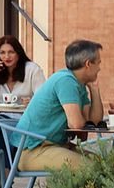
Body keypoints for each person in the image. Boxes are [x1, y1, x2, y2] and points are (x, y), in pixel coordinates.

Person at [14, 39, 106, 172]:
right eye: (98, 63)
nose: (99, 68)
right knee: (91, 167)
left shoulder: (79, 85)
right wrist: (82, 120)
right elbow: (76, 124)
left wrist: (95, 89)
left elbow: (94, 121)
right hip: (33, 150)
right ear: (88, 64)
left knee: (103, 164)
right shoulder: (66, 81)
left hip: (55, 146)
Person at [0, 36, 45, 104]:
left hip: (25, 113)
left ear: (18, 53)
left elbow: (43, 98)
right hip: (0, 114)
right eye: (2, 53)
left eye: (11, 52)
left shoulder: (33, 70)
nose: (7, 56)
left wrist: (31, 102)